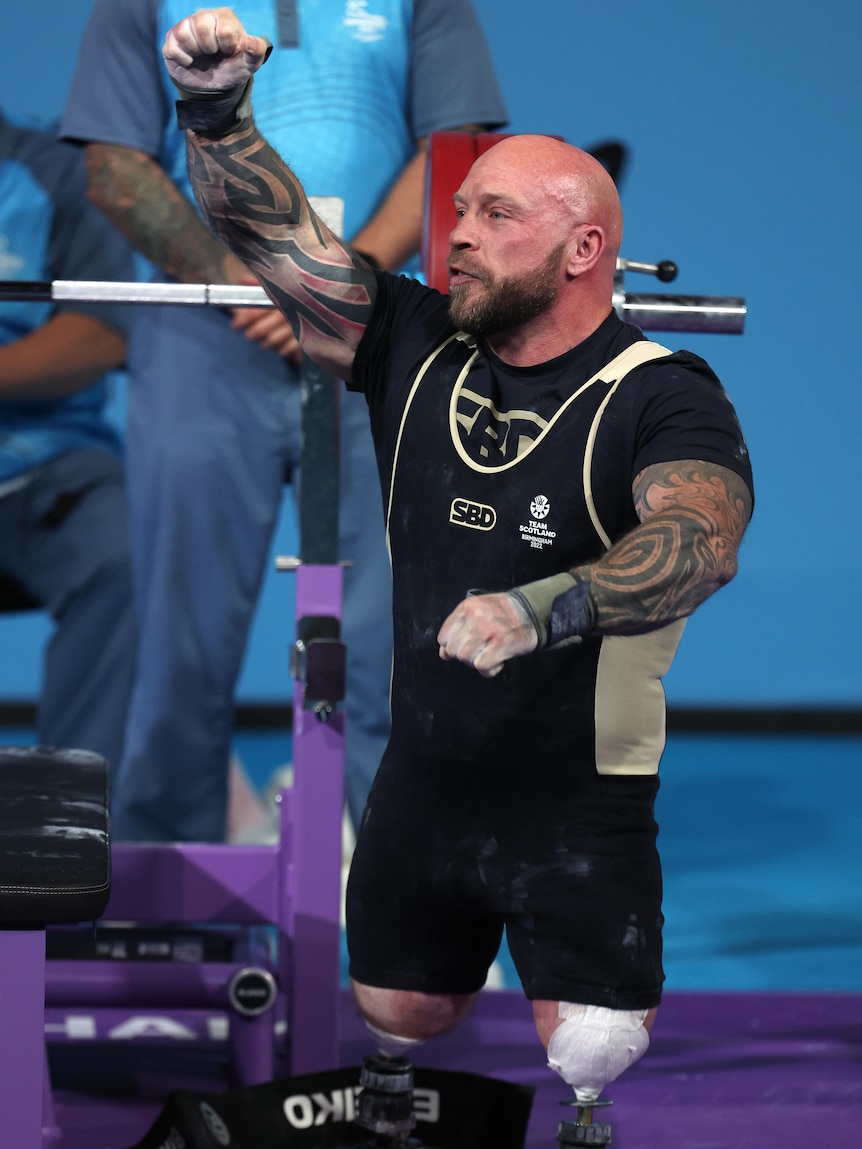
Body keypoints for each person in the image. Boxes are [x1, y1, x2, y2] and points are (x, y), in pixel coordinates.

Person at [161, 8, 753, 1114]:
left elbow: (697, 541)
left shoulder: (662, 393)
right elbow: (279, 238)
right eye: (459, 210)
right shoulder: (412, 340)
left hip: (577, 800)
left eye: (495, 213)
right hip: (424, 785)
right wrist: (213, 111)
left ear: (585, 250)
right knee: (400, 1011)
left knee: (588, 1051)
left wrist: (540, 609)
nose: (457, 236)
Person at [60, 0, 508, 843]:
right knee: (177, 654)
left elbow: (454, 151)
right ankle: (179, 901)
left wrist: (346, 282)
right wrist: (247, 282)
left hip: (377, 337)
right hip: (201, 342)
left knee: (391, 649)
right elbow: (115, 168)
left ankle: (408, 911)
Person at [0, 108, 137, 771]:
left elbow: (101, 332)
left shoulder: (55, 174)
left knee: (129, 554)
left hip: (46, 465)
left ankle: (64, 813)